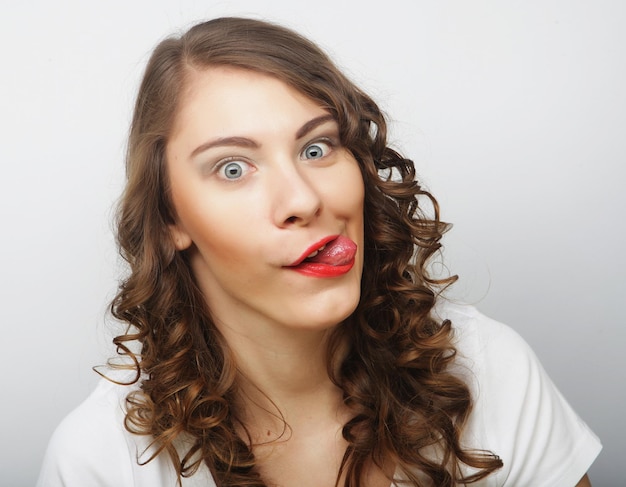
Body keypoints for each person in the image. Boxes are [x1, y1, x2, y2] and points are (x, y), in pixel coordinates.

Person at [37, 17, 601, 487]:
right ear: (169, 219)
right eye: (233, 168)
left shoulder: (490, 370)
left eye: (317, 147)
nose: (303, 200)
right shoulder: (99, 460)